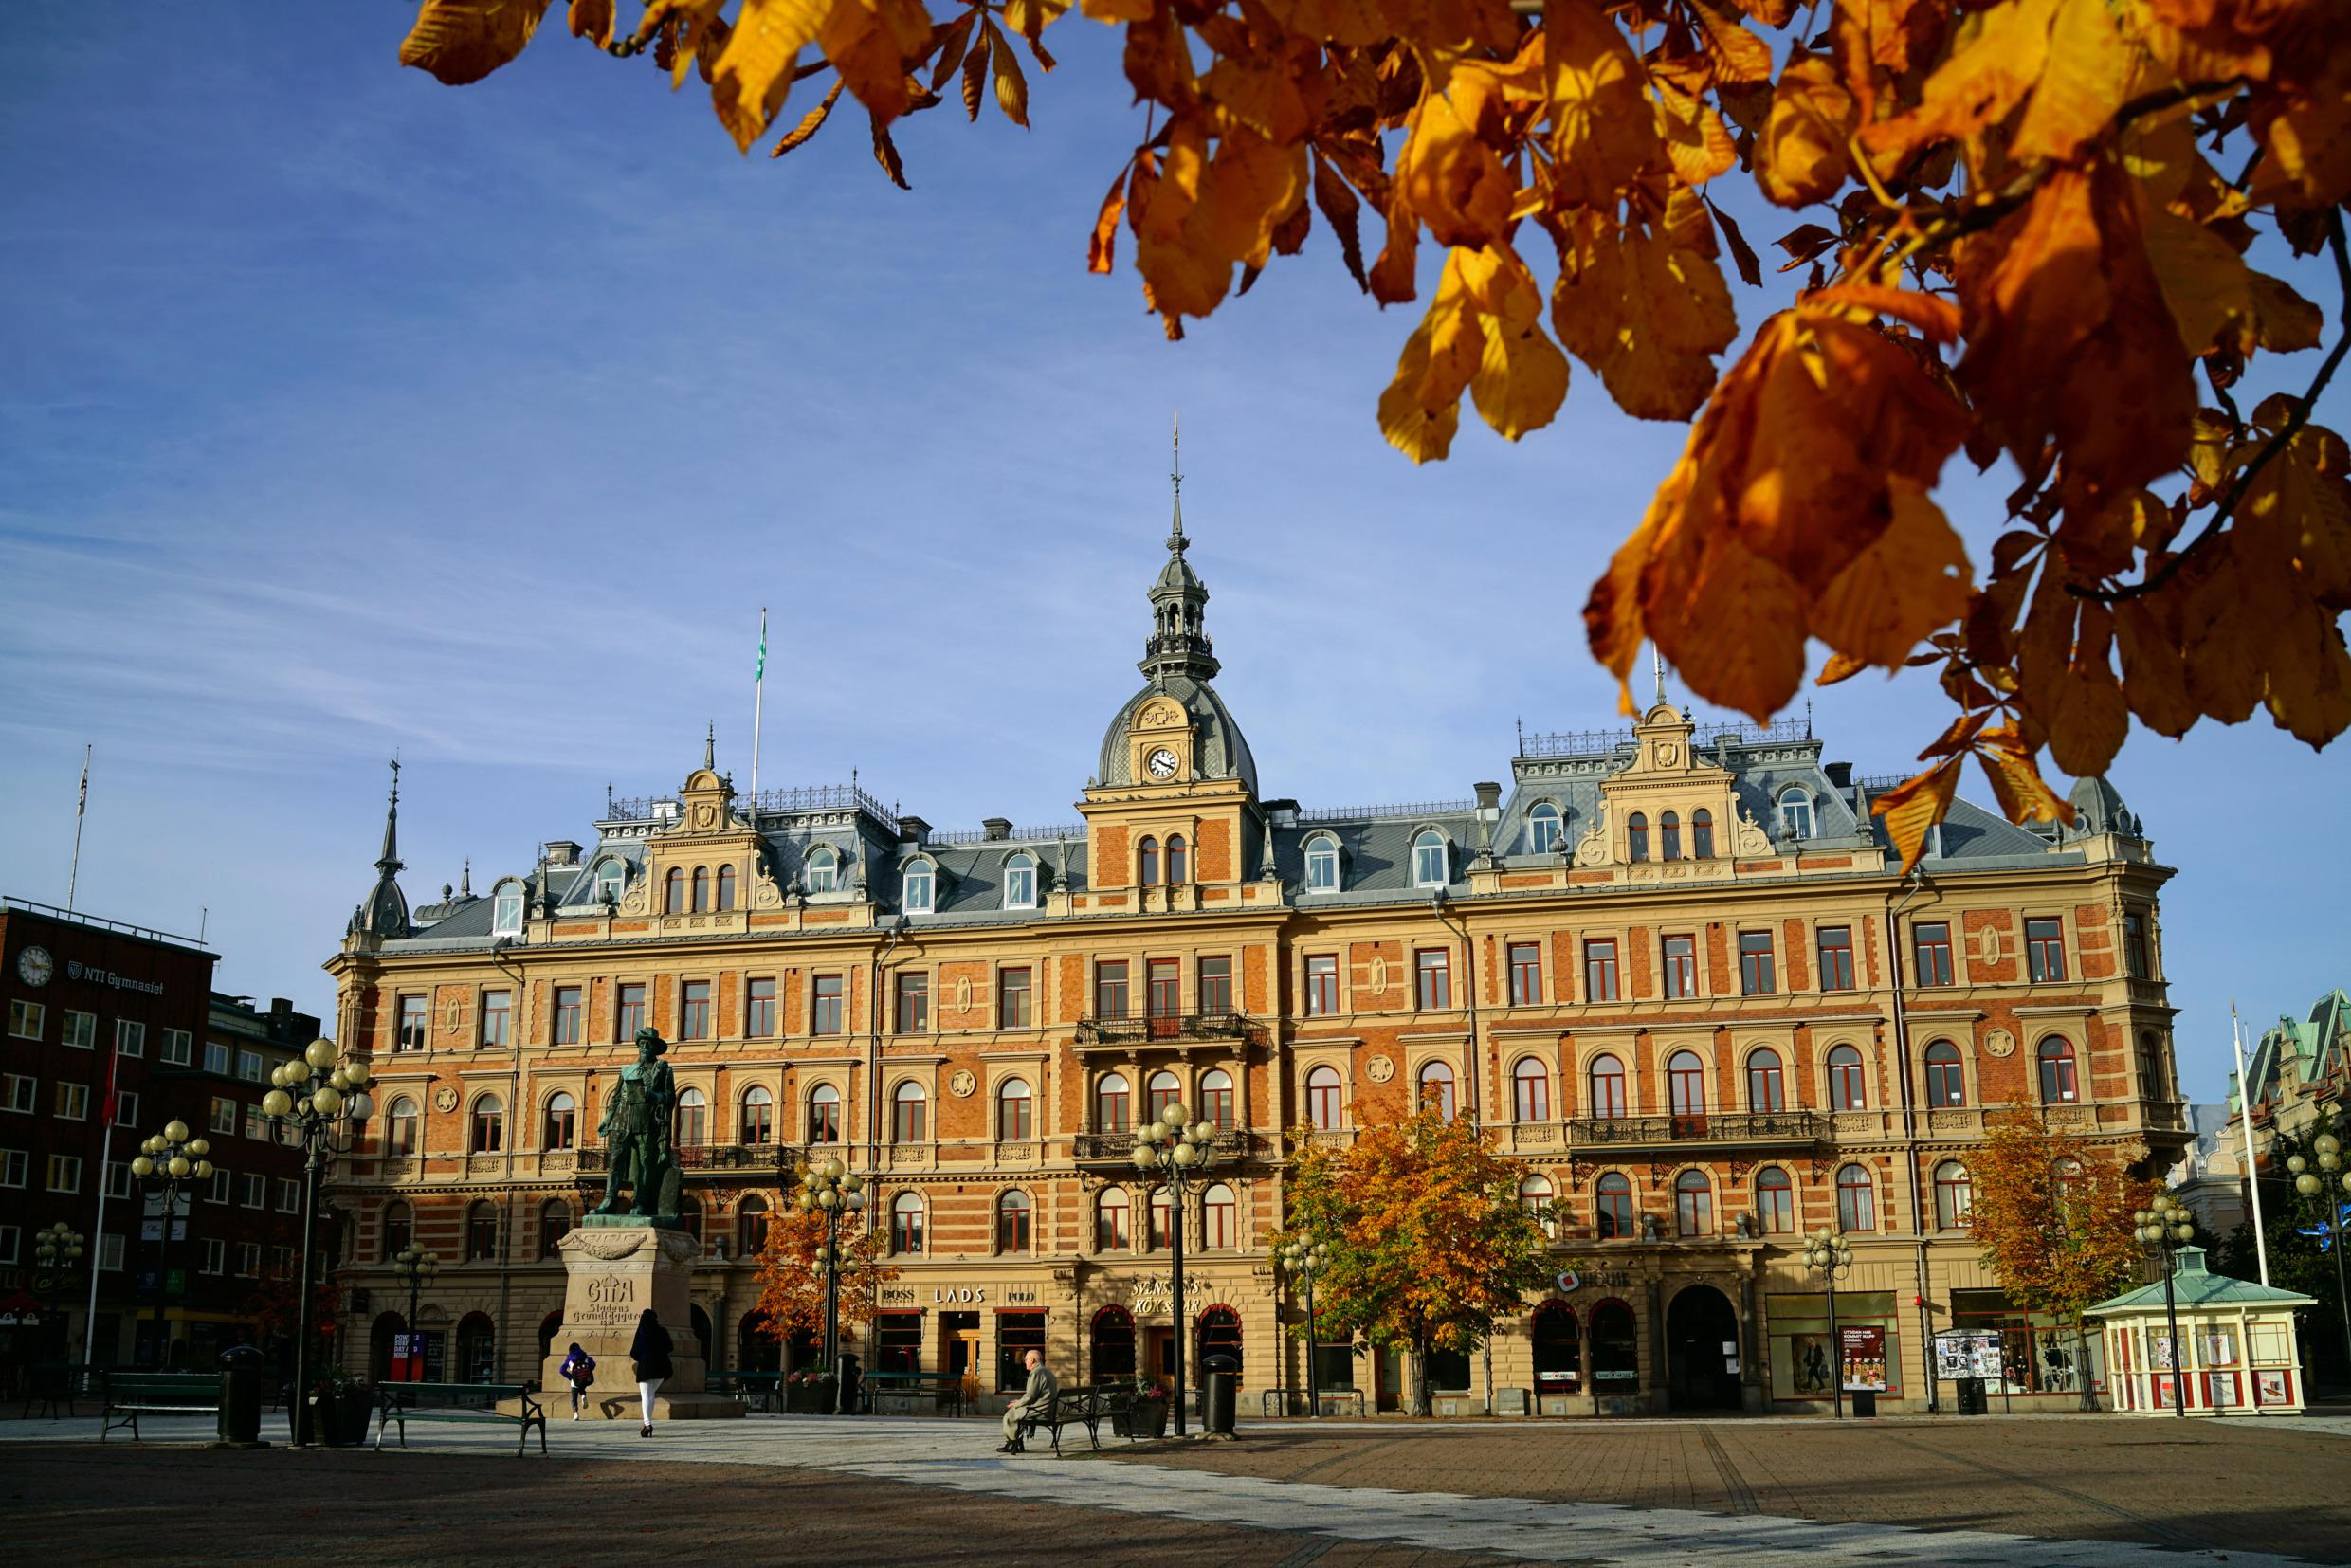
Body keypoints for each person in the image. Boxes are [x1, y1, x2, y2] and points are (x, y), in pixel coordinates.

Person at [999, 1348, 1057, 1454]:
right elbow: (1033, 1395)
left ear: (1033, 1360)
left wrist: (1016, 1403)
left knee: (1010, 1413)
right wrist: (1019, 1402)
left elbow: (1030, 1396)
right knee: (1015, 1410)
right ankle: (1017, 1443)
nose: (1024, 1361)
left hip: (1041, 1409)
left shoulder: (1036, 1373)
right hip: (1048, 1407)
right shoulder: (1046, 1371)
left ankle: (1013, 1443)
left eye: (1026, 1359)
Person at [629, 1309, 673, 1437]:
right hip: (662, 1367)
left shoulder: (641, 1331)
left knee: (646, 1396)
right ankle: (647, 1424)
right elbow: (670, 1347)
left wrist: (644, 1357)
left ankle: (647, 1424)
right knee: (651, 1395)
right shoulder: (662, 1331)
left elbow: (634, 1352)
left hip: (647, 1367)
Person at [557, 1341, 597, 1421]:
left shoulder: (569, 1359)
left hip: (575, 1381)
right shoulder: (586, 1357)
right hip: (585, 1379)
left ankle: (576, 1414)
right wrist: (587, 1371)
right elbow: (593, 1364)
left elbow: (561, 1370)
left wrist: (570, 1377)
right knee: (582, 1387)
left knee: (574, 1398)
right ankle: (583, 1396)